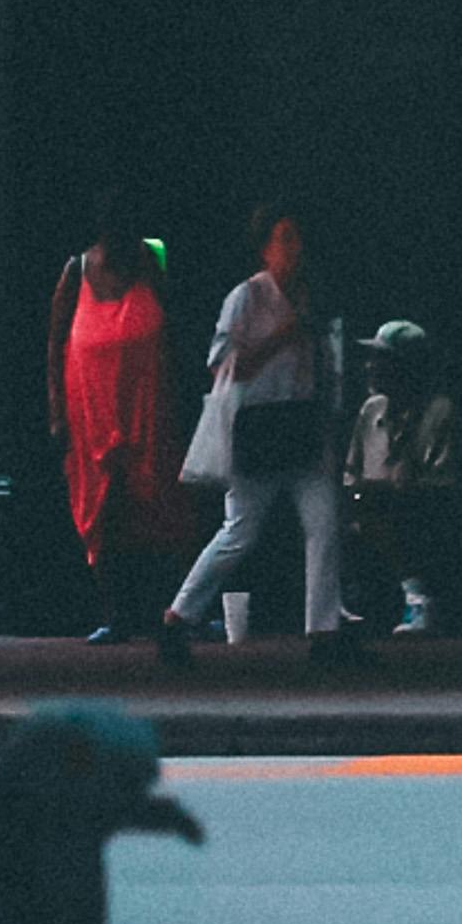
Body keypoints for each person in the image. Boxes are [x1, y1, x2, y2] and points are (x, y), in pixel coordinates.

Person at [160, 201, 357, 657]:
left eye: (297, 238)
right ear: (264, 248)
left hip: (303, 424)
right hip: (262, 427)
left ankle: (323, 632)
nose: (294, 248)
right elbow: (222, 365)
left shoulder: (309, 295)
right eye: (284, 238)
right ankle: (178, 616)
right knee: (240, 531)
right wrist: (279, 339)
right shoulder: (247, 297)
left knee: (324, 524)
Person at [49, 222, 178, 646]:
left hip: (146, 408)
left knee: (156, 503)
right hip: (91, 410)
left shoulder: (151, 261)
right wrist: (56, 414)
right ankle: (114, 613)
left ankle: (165, 608)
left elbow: (176, 328)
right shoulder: (77, 269)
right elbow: (54, 344)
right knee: (101, 509)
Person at [343, 311, 458, 640]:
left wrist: (391, 493)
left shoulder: (439, 410)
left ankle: (419, 600)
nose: (371, 367)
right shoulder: (371, 409)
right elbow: (352, 470)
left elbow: (442, 480)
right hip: (369, 506)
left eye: (383, 360)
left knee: (392, 513)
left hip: (418, 509)